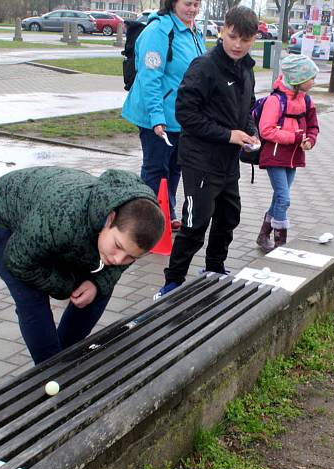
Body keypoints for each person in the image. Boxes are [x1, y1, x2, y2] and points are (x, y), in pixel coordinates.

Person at [0, 167, 164, 365]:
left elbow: (115, 263)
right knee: (32, 301)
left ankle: (64, 359)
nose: (117, 259)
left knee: (98, 290)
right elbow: (18, 261)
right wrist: (66, 285)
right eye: (118, 246)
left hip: (52, 226)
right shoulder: (63, 219)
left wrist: (96, 284)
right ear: (110, 218)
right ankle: (49, 375)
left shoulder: (133, 216)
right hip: (8, 217)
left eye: (130, 257)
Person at [154, 5, 259, 299]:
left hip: (228, 161)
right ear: (223, 29)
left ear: (254, 38)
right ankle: (172, 281)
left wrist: (251, 132)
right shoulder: (204, 66)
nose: (237, 45)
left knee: (228, 217)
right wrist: (228, 135)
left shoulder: (246, 67)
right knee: (195, 222)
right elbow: (185, 114)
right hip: (200, 159)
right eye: (233, 36)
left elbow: (245, 109)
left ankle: (214, 268)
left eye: (245, 39)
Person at [121, 0, 206, 232]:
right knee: (156, 168)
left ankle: (166, 211)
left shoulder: (194, 31)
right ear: (173, 3)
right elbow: (150, 77)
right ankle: (147, 223)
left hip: (182, 117)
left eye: (197, 4)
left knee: (175, 167)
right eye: (188, 3)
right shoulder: (158, 31)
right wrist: (157, 117)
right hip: (156, 115)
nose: (193, 9)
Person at [255, 55, 320, 253]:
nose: (313, 81)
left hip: (294, 156)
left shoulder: (306, 101)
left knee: (279, 197)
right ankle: (279, 243)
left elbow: (313, 125)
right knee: (284, 198)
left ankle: (263, 234)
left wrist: (310, 139)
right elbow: (266, 130)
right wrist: (294, 137)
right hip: (275, 155)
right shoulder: (276, 101)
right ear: (297, 80)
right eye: (310, 77)